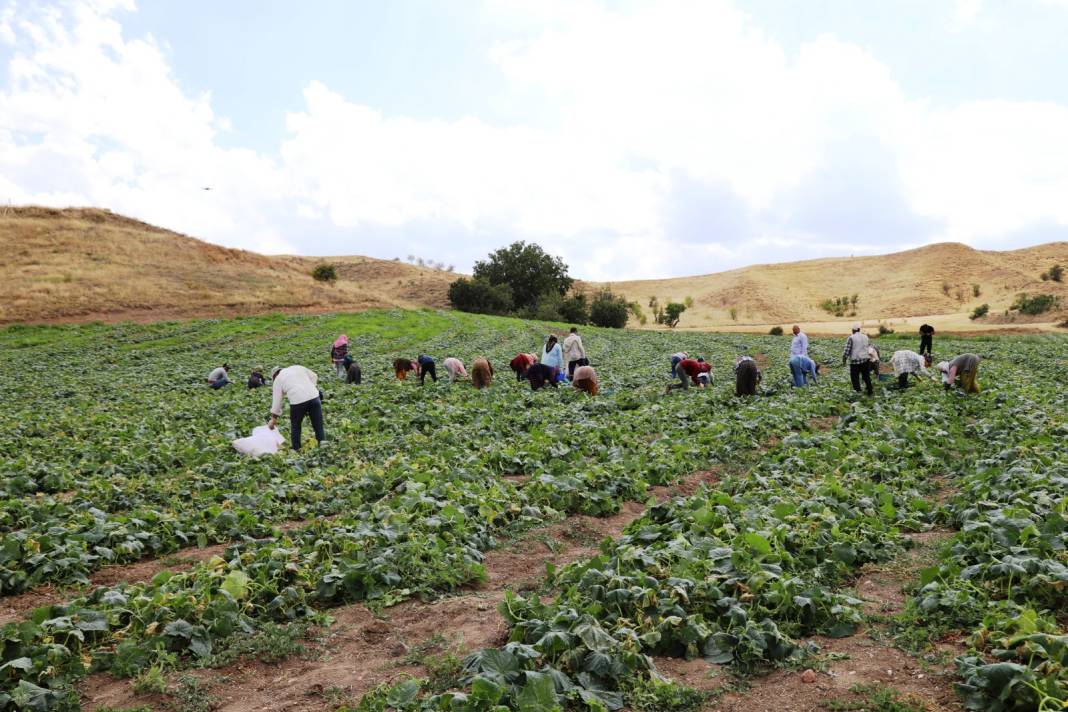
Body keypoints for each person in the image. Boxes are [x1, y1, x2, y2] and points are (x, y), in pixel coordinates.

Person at [268, 365, 324, 451]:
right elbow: (314, 376)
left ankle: (297, 449)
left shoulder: (278, 379)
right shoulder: (297, 367)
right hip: (314, 397)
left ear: (274, 375)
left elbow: (277, 401)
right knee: (318, 426)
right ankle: (323, 447)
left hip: (297, 401)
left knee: (296, 426)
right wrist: (312, 387)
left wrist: (274, 418)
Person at [842, 323, 873, 396]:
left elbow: (847, 350)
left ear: (853, 330)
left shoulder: (851, 338)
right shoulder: (865, 337)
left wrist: (844, 359)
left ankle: (858, 393)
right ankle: (870, 391)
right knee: (866, 376)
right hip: (865, 360)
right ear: (859, 329)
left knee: (855, 378)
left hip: (855, 361)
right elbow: (868, 347)